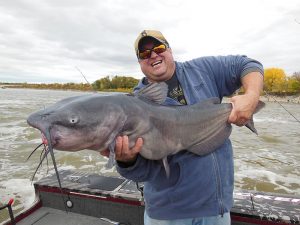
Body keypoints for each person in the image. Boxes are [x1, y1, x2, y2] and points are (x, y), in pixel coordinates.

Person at [101, 30, 264, 225]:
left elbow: (247, 64)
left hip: (216, 209)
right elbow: (142, 174)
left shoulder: (203, 69)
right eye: (144, 54)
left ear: (169, 50)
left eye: (158, 48)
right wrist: (127, 161)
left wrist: (252, 96)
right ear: (139, 62)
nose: (153, 55)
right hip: (166, 214)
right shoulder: (132, 108)